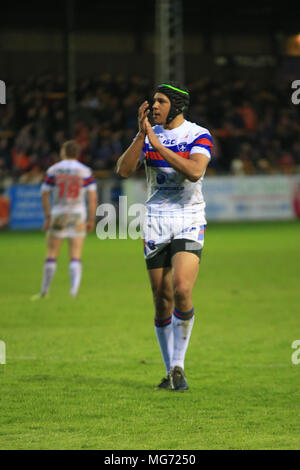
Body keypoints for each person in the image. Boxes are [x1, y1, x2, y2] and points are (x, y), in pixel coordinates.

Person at [116, 81, 213, 391]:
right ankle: (169, 371)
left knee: (182, 289)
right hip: (156, 221)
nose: (153, 106)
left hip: (188, 218)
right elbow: (123, 170)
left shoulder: (198, 135)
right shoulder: (147, 135)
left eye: (160, 101)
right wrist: (143, 136)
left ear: (177, 105)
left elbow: (195, 172)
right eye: (152, 102)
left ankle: (179, 365)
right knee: (162, 301)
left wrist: (158, 146)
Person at [33, 140, 97, 299]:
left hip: (59, 213)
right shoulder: (85, 171)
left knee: (51, 253)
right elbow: (93, 197)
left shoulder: (54, 169)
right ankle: (73, 292)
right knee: (75, 254)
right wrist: (91, 219)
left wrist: (48, 216)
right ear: (77, 153)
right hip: (77, 214)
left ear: (63, 152)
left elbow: (45, 193)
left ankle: (44, 291)